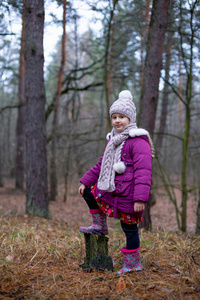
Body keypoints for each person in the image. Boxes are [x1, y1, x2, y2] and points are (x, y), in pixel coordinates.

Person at [78, 90, 153, 274]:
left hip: (129, 195)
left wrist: (140, 199)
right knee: (89, 191)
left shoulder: (138, 142)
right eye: (114, 117)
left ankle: (133, 264)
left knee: (129, 228)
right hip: (114, 191)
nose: (117, 120)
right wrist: (85, 181)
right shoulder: (113, 141)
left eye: (122, 117)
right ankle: (99, 225)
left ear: (130, 119)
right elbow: (101, 165)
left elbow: (144, 173)